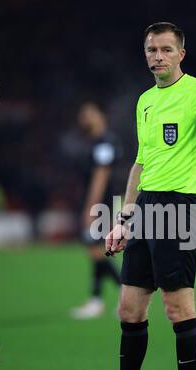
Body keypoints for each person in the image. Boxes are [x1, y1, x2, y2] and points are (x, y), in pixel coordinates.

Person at [73, 22, 196, 370]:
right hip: (144, 209)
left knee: (177, 308)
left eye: (164, 49)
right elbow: (141, 164)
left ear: (181, 53)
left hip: (178, 209)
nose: (157, 57)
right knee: (128, 309)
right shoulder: (144, 101)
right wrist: (124, 217)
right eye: (150, 50)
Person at [71, 102, 121, 319]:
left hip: (101, 204)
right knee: (97, 251)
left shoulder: (104, 143)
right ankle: (97, 300)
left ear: (101, 115)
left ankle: (123, 293)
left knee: (95, 250)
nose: (84, 118)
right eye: (82, 115)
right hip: (102, 203)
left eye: (89, 113)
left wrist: (91, 208)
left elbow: (101, 176)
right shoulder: (98, 142)